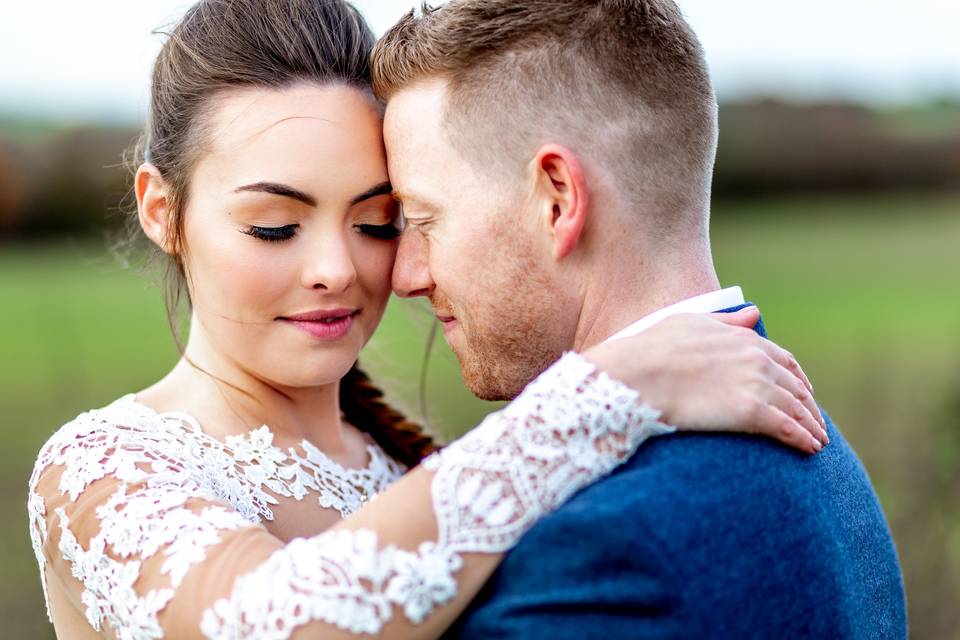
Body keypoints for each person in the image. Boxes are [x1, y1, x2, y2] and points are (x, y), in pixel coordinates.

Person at [26, 1, 829, 639]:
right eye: (275, 226)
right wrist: (606, 389)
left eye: (379, 222)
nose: (338, 269)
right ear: (163, 213)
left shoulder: (411, 468)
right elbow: (263, 622)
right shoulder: (103, 469)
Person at [370, 0, 908, 637]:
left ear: (557, 200)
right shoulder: (822, 453)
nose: (406, 276)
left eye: (426, 221)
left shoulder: (605, 544)